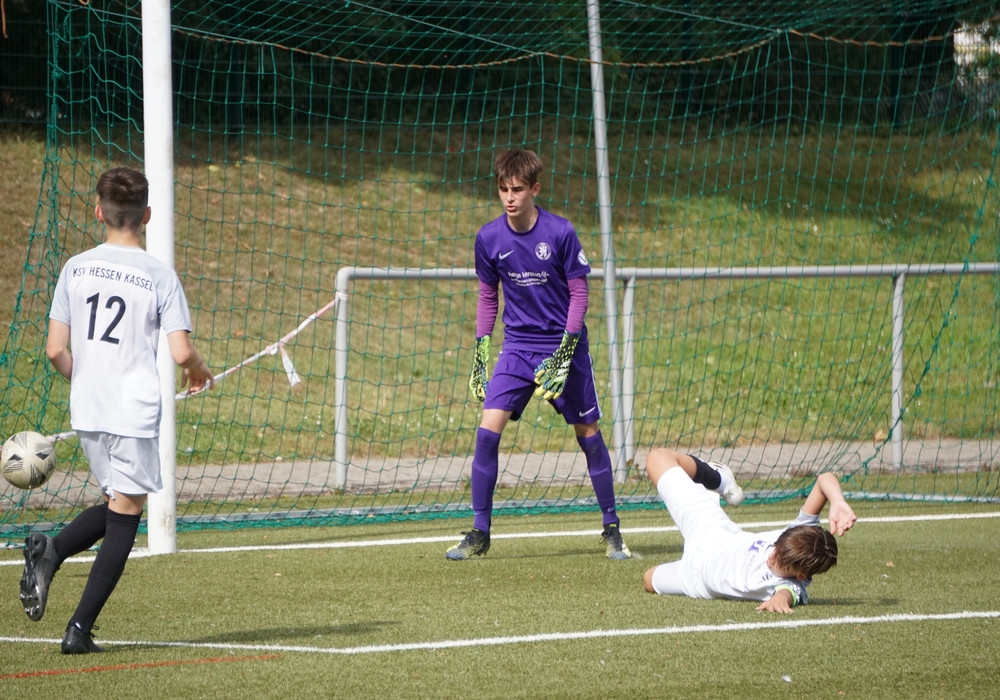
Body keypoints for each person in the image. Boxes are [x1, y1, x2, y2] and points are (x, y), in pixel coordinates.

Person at [19, 167, 214, 653]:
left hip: (87, 408)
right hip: (132, 410)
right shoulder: (159, 275)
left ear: (98, 212)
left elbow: (54, 349)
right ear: (146, 215)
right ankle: (78, 629)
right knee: (126, 515)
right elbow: (180, 352)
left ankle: (50, 551)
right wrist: (200, 370)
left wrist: (86, 380)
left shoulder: (75, 267)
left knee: (117, 502)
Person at [446, 149, 631, 561]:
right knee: (486, 433)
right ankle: (479, 532)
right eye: (503, 189)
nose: (509, 197)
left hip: (564, 348)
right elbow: (487, 298)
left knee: (588, 435)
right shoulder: (488, 238)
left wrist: (565, 354)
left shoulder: (560, 232)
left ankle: (612, 528)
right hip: (517, 348)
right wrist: (480, 352)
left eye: (517, 189)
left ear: (535, 189)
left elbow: (580, 295)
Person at [642, 447, 856, 612]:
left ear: (799, 575)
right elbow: (824, 479)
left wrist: (780, 600)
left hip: (694, 581)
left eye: (780, 562)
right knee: (657, 457)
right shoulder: (801, 533)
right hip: (712, 532)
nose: (771, 557)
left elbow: (786, 594)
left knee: (648, 580)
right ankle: (719, 480)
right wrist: (837, 501)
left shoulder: (792, 585)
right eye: (776, 550)